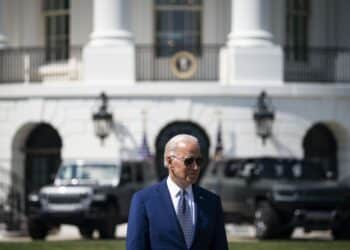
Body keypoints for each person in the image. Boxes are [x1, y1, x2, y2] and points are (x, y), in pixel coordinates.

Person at [126, 134, 228, 250]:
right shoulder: (144, 200)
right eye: (189, 161)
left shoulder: (212, 202)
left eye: (199, 161)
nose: (195, 167)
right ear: (170, 161)